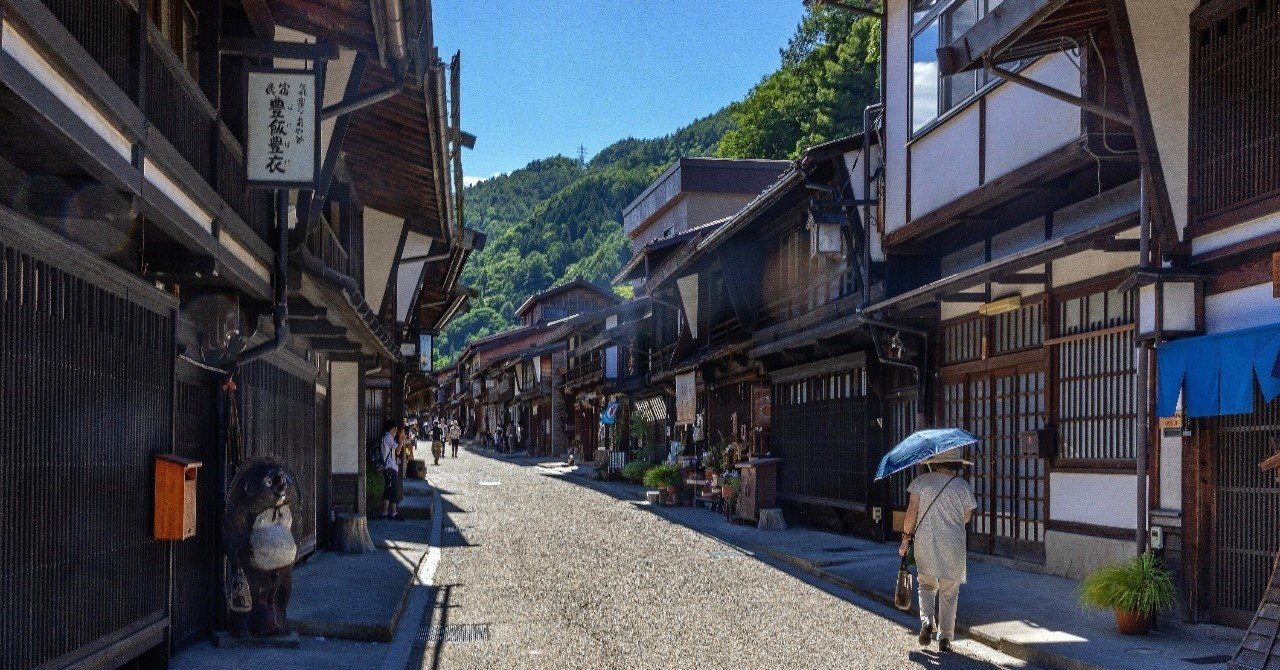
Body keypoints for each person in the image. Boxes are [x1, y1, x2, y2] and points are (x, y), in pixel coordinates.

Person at [899, 453, 977, 653]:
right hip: (953, 545)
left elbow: (911, 513)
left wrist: (905, 540)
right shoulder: (962, 486)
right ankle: (945, 639)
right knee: (949, 592)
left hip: (926, 542)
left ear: (932, 464)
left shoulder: (920, 483)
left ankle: (927, 623)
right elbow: (967, 517)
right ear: (954, 464)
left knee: (926, 585)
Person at [379, 420, 406, 521]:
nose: (396, 431)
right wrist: (400, 439)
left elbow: (397, 451)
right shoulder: (388, 438)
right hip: (390, 468)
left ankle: (385, 512)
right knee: (393, 490)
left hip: (389, 467)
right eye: (395, 429)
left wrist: (401, 440)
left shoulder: (387, 438)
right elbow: (398, 448)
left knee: (388, 490)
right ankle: (393, 513)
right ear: (392, 429)